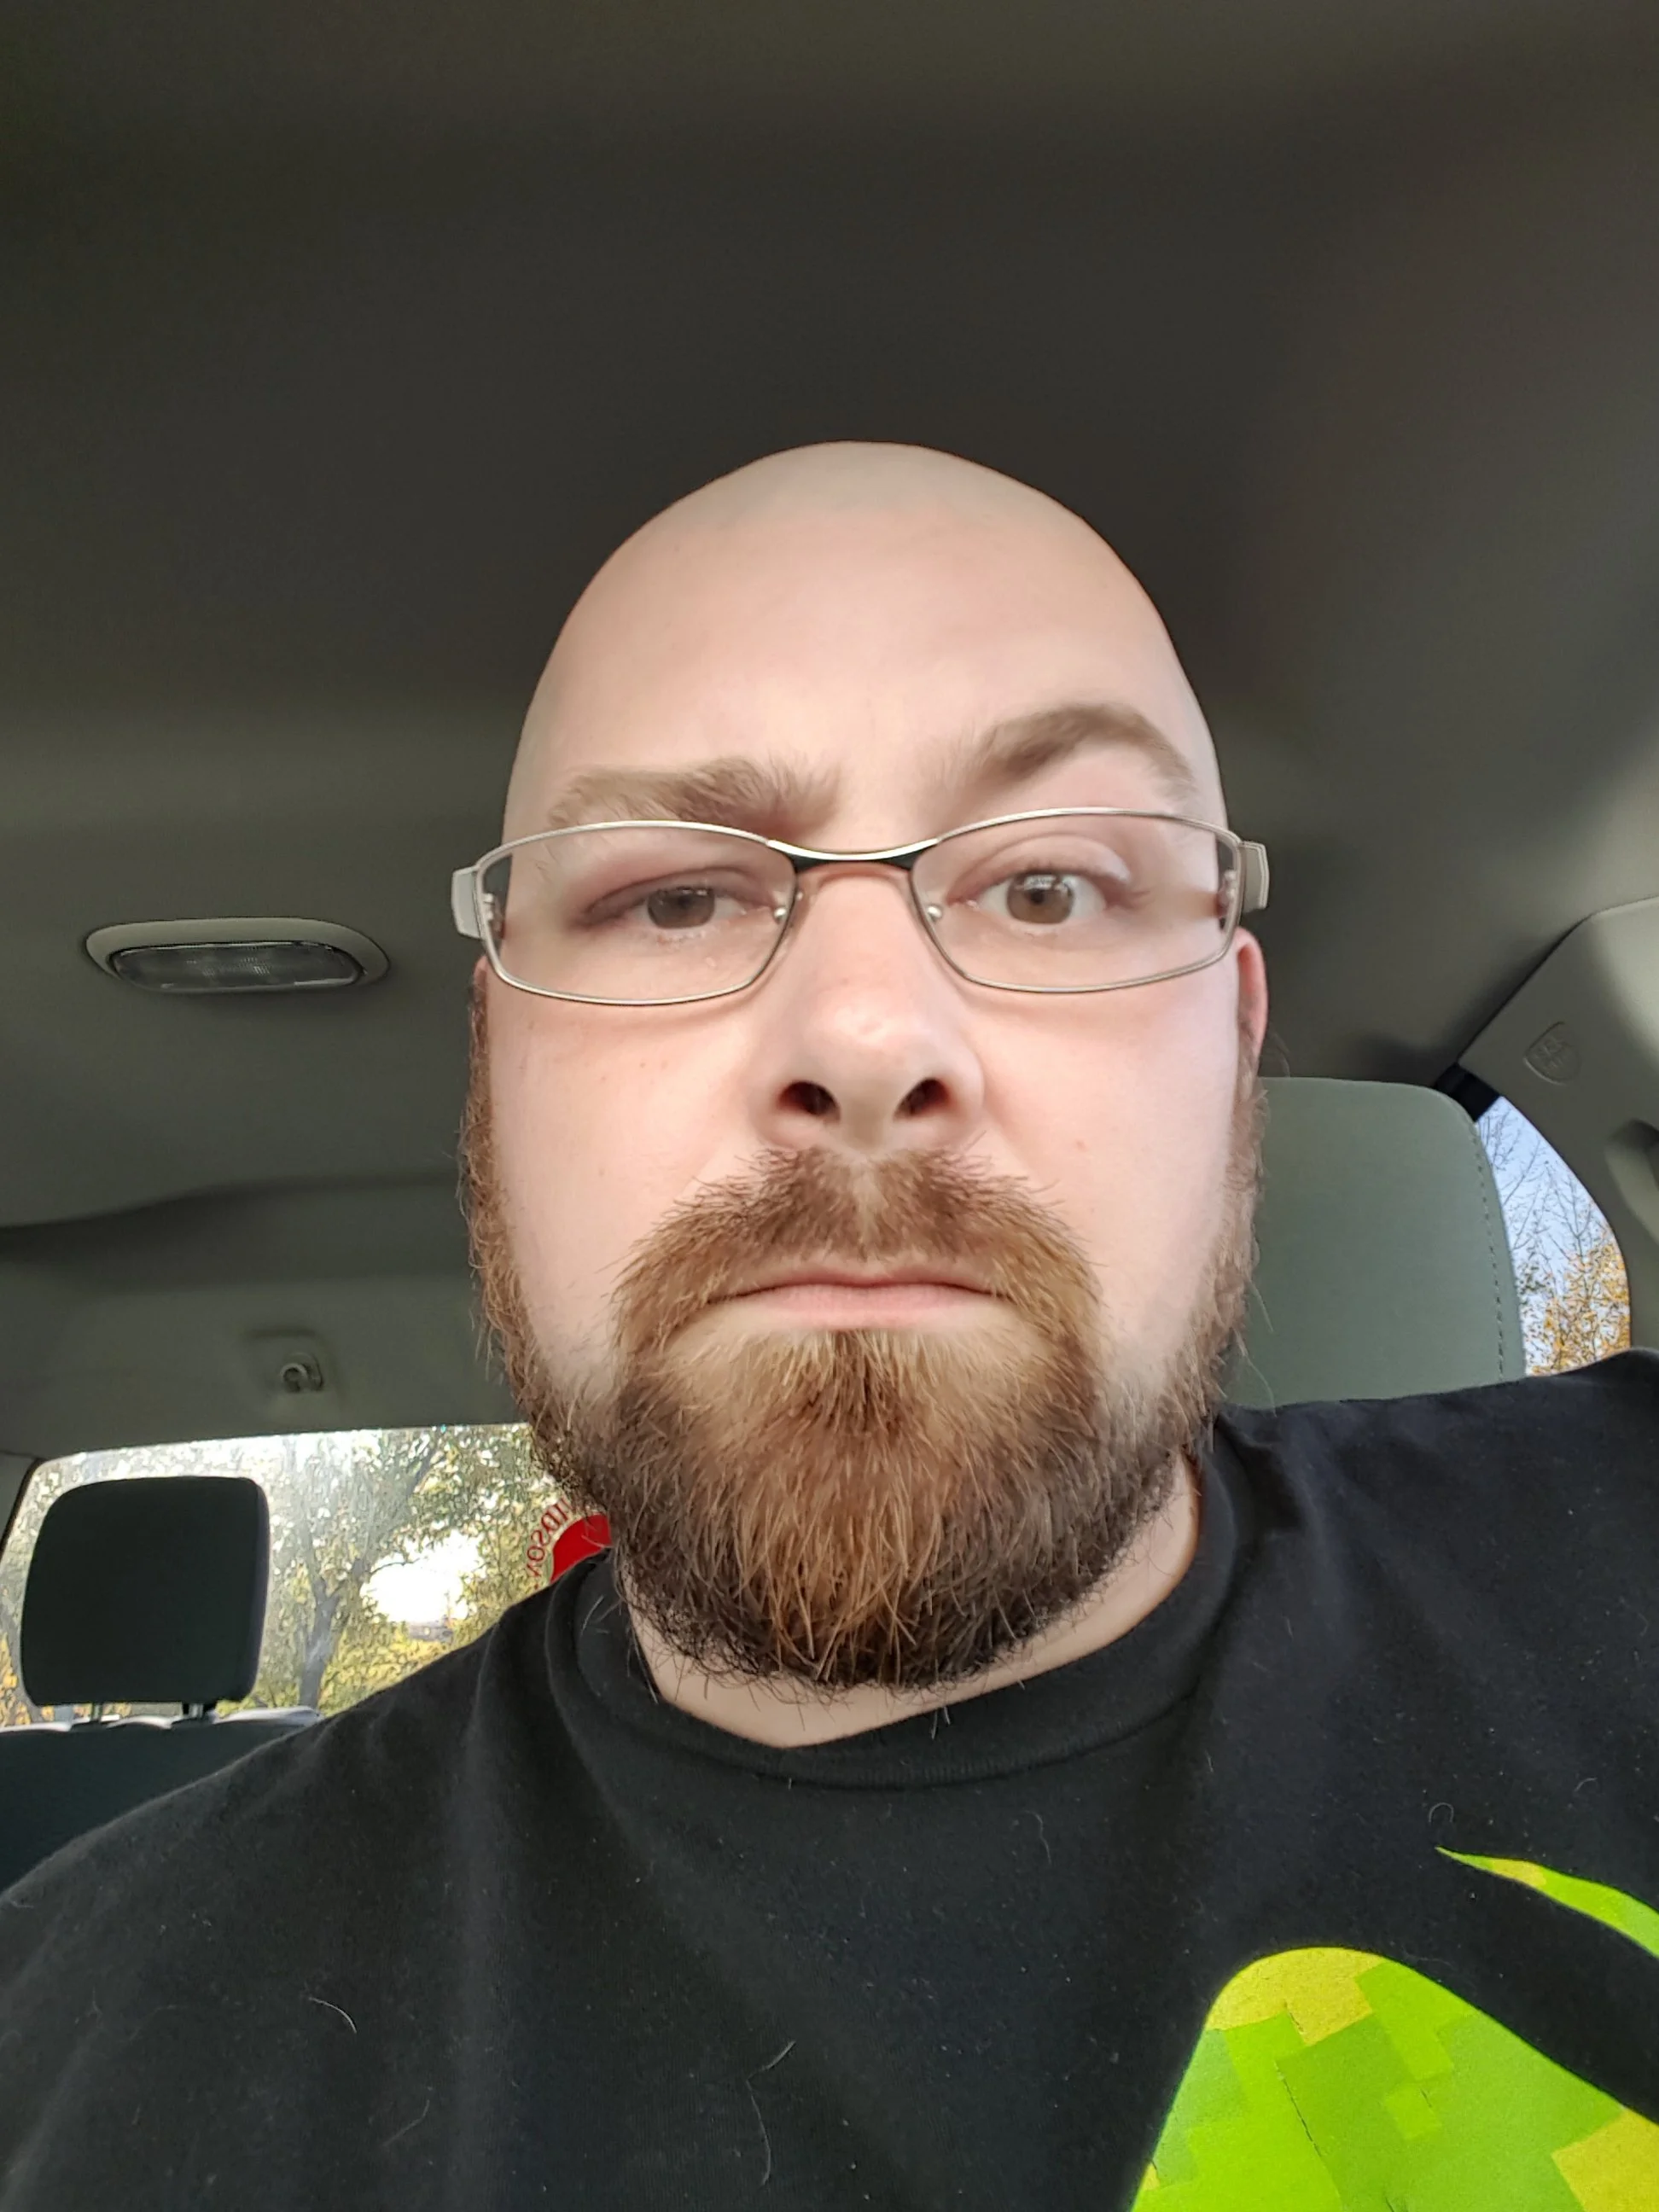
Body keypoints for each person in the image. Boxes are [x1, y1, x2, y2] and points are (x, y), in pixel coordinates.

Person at [2, 443, 1656, 2211]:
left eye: (1050, 887)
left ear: (1234, 1047)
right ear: (494, 1072)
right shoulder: (73, 2059)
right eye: (675, 895)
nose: (866, 1035)